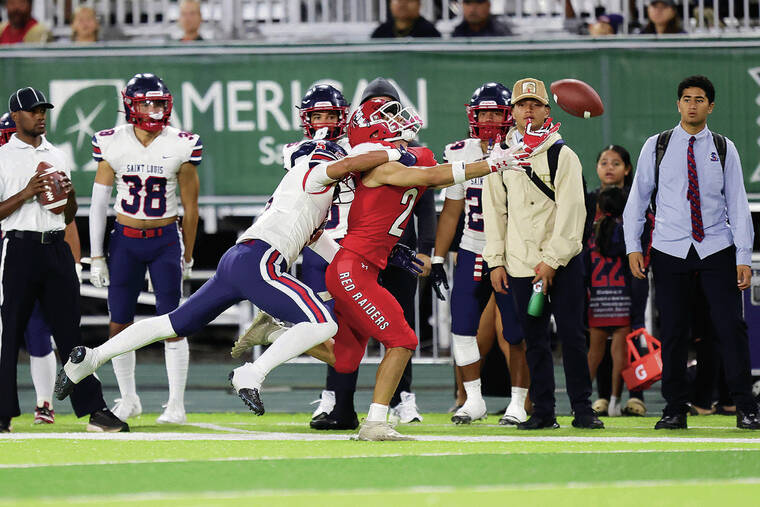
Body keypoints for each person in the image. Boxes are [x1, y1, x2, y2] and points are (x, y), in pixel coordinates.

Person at [320, 98, 531, 441]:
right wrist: (491, 164)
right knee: (402, 339)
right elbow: (433, 176)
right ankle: (375, 423)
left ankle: (281, 334)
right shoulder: (382, 166)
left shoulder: (396, 160)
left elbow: (394, 209)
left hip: (363, 264)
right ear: (375, 130)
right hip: (352, 268)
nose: (399, 123)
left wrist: (401, 252)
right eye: (388, 118)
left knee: (344, 358)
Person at [623, 74, 760, 430]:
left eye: (699, 99)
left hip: (716, 245)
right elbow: (637, 198)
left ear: (710, 106)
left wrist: (743, 255)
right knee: (673, 331)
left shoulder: (724, 147)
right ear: (678, 104)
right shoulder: (658, 145)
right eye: (686, 99)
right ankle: (674, 409)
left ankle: (745, 407)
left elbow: (738, 203)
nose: (692, 105)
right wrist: (633, 246)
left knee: (730, 328)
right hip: (669, 247)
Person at [0, 87, 126, 433]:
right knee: (8, 334)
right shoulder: (3, 156)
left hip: (55, 247)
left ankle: (94, 410)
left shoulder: (56, 153)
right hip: (20, 247)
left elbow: (68, 214)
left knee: (72, 334)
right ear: (15, 116)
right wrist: (26, 193)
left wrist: (67, 199)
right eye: (33, 110)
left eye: (43, 109)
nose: (40, 115)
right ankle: (3, 414)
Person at [483, 77, 603, 430]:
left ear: (547, 110)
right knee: (532, 341)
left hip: (563, 262)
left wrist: (552, 261)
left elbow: (573, 211)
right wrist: (495, 261)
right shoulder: (500, 156)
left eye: (535, 104)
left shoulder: (562, 153)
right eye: (522, 105)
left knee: (572, 337)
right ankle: (544, 411)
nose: (529, 110)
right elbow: (495, 212)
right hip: (520, 263)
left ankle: (583, 409)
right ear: (513, 113)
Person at [88, 73, 201, 424]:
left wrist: (187, 255)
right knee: (119, 323)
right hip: (125, 240)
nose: (152, 110)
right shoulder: (113, 142)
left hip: (165, 239)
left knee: (172, 322)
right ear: (130, 106)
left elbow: (191, 208)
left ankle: (176, 403)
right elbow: (98, 204)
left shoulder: (181, 143)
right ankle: (129, 398)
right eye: (145, 103)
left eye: (158, 103)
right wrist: (95, 255)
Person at [431, 82, 529, 425]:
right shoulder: (460, 151)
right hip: (473, 248)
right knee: (462, 327)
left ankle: (519, 402)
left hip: (513, 251)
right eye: (483, 112)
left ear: (509, 114)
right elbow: (451, 211)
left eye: (495, 111)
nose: (488, 118)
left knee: (514, 331)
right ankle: (473, 399)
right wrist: (439, 257)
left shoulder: (524, 149)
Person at [585, 145, 648, 418]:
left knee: (631, 336)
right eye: (603, 162)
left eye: (616, 163)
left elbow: (648, 237)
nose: (609, 168)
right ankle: (602, 397)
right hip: (603, 284)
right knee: (602, 342)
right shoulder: (588, 202)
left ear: (628, 168)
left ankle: (636, 396)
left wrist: (642, 266)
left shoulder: (639, 199)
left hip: (627, 279)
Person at [371, 0, 441, 38]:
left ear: (419, 4)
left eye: (409, 0)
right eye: (398, 0)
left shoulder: (430, 33)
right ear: (390, 4)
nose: (402, 4)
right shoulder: (381, 32)